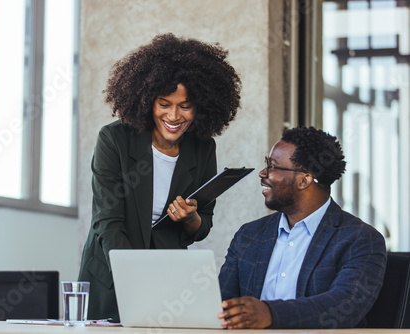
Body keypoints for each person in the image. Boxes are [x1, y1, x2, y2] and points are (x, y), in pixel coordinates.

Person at [78, 33, 242, 321]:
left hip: (167, 274)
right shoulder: (114, 139)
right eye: (164, 103)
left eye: (185, 105)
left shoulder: (203, 148)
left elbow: (203, 224)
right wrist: (135, 275)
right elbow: (107, 220)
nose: (174, 115)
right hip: (112, 272)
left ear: (201, 106)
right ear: (146, 100)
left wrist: (190, 218)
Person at [218, 126, 387, 329]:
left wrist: (270, 313)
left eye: (273, 166)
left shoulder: (361, 239)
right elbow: (220, 303)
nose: (263, 173)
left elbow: (344, 306)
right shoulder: (249, 235)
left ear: (304, 180)